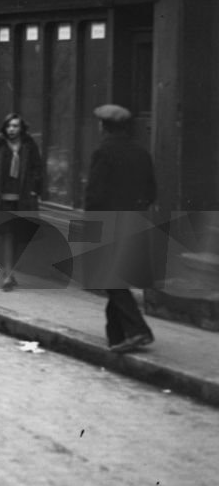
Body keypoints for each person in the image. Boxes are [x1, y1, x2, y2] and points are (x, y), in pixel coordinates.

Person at [84, 104, 157, 354]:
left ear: (104, 127)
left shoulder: (103, 152)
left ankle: (138, 330)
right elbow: (151, 193)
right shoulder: (142, 153)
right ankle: (116, 336)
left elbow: (94, 196)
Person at [0, 112, 43, 291]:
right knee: (7, 234)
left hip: (22, 198)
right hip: (2, 197)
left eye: (15, 126)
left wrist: (34, 189)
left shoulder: (29, 145)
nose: (12, 129)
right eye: (9, 126)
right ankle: (7, 274)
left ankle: (10, 271)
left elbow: (37, 168)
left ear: (21, 128)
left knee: (19, 235)